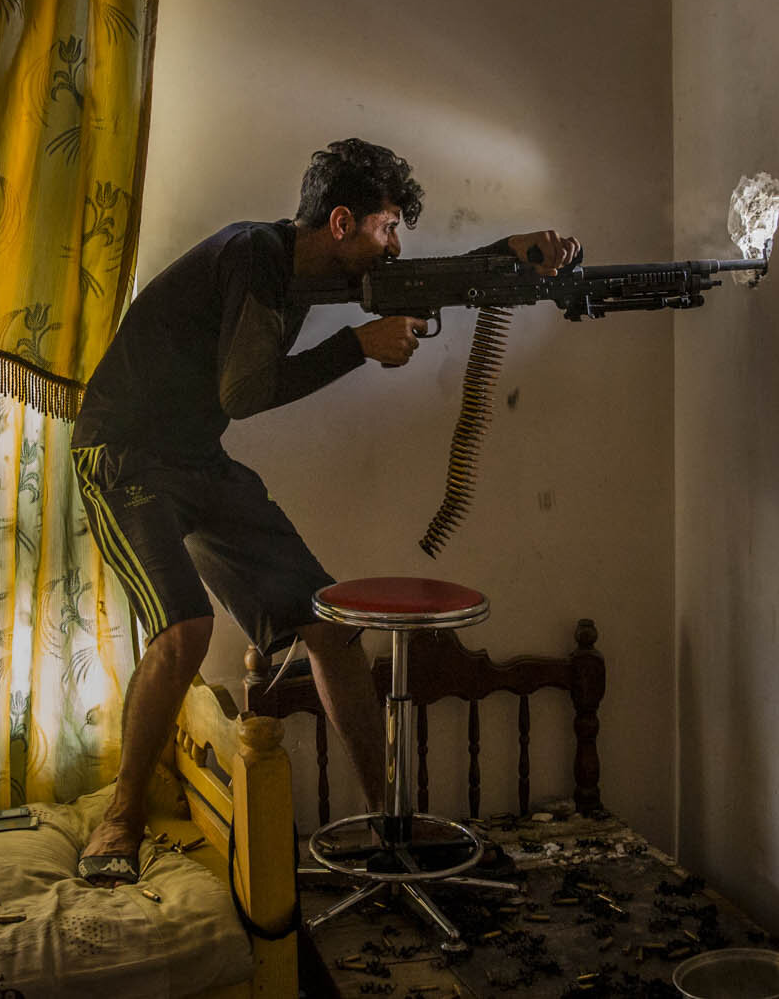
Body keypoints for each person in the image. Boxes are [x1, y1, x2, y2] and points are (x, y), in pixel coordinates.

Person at [68, 138, 578, 884]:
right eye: (387, 227)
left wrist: (510, 251)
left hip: (194, 456)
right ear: (341, 223)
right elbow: (242, 394)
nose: (396, 245)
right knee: (186, 626)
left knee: (333, 629)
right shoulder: (253, 257)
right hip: (124, 453)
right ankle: (121, 815)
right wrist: (356, 348)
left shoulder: (310, 267)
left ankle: (387, 824)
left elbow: (422, 280)